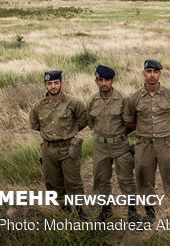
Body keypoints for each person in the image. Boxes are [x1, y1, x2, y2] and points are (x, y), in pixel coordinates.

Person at [124, 59, 170, 222]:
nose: (152, 75)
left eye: (155, 72)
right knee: (144, 177)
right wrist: (142, 131)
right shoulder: (134, 98)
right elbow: (128, 120)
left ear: (160, 74)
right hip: (144, 146)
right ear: (144, 73)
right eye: (149, 71)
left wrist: (168, 127)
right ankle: (150, 213)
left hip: (165, 144)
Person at [29, 70, 88, 219]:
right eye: (50, 83)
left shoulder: (74, 103)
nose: (53, 86)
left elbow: (84, 120)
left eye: (56, 83)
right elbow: (35, 125)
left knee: (73, 181)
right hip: (48, 149)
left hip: (68, 148)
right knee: (52, 181)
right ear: (45, 85)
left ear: (61, 83)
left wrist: (70, 132)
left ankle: (80, 210)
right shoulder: (38, 106)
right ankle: (64, 208)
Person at [88, 65, 138, 222]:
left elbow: (131, 123)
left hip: (120, 145)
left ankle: (132, 213)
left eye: (107, 80)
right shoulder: (92, 101)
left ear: (113, 81)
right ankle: (105, 210)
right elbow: (91, 123)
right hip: (100, 146)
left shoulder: (123, 100)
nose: (104, 83)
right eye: (100, 80)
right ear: (96, 81)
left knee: (126, 179)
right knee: (101, 179)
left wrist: (120, 136)